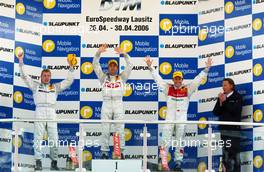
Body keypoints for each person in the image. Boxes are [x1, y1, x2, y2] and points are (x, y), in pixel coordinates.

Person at [145, 56, 212, 171]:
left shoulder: (187, 89)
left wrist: (206, 70)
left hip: (181, 120)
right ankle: (163, 163)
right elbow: (158, 79)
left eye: (179, 79)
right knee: (165, 141)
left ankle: (178, 164)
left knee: (180, 142)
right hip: (169, 120)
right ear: (173, 79)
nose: (177, 81)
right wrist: (150, 67)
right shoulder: (167, 88)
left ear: (182, 79)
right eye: (175, 79)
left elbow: (197, 80)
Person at [17, 51, 75, 170]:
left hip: (51, 113)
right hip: (39, 112)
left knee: (54, 139)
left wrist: (71, 67)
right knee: (37, 138)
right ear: (41, 77)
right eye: (44, 75)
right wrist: (21, 61)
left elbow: (69, 81)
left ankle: (54, 163)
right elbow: (24, 76)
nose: (46, 77)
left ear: (50, 77)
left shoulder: (55, 87)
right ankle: (38, 163)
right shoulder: (35, 86)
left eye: (48, 76)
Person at [93, 44, 133, 159]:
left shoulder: (122, 77)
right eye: (110, 66)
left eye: (114, 66)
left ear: (117, 68)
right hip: (106, 103)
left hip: (118, 103)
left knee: (120, 129)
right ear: (108, 68)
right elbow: (95, 65)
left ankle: (120, 152)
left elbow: (130, 65)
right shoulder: (103, 77)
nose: (112, 68)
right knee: (105, 129)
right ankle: (104, 153)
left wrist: (124, 53)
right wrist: (98, 53)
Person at [213, 78, 242, 172]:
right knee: (225, 154)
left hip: (234, 131)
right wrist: (220, 102)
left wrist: (224, 102)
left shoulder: (237, 97)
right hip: (224, 131)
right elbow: (216, 112)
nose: (223, 87)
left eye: (225, 85)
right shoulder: (222, 97)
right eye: (222, 85)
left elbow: (235, 111)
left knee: (234, 154)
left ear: (231, 86)